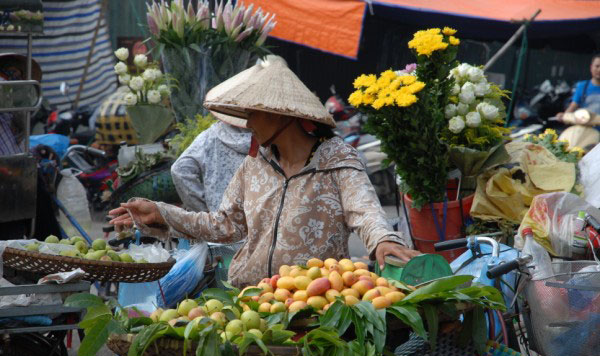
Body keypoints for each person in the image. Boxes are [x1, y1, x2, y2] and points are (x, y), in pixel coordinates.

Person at [109, 56, 420, 287]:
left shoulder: (337, 160)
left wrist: (384, 240)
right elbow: (226, 225)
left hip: (314, 298)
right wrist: (162, 214)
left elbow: (365, 212)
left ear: (281, 114)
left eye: (253, 112)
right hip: (250, 297)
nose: (248, 123)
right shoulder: (254, 165)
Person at [170, 121, 251, 212]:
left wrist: (203, 212)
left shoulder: (210, 136)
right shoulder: (266, 137)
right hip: (259, 216)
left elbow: (179, 170)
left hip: (220, 217)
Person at [0, 53, 42, 155]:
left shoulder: (13, 119)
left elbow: (19, 154)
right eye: (11, 73)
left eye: (19, 76)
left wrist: (37, 152)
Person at [556, 54, 600, 122]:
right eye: (597, 66)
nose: (599, 69)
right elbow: (573, 106)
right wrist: (564, 116)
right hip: (584, 129)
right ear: (591, 67)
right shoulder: (582, 86)